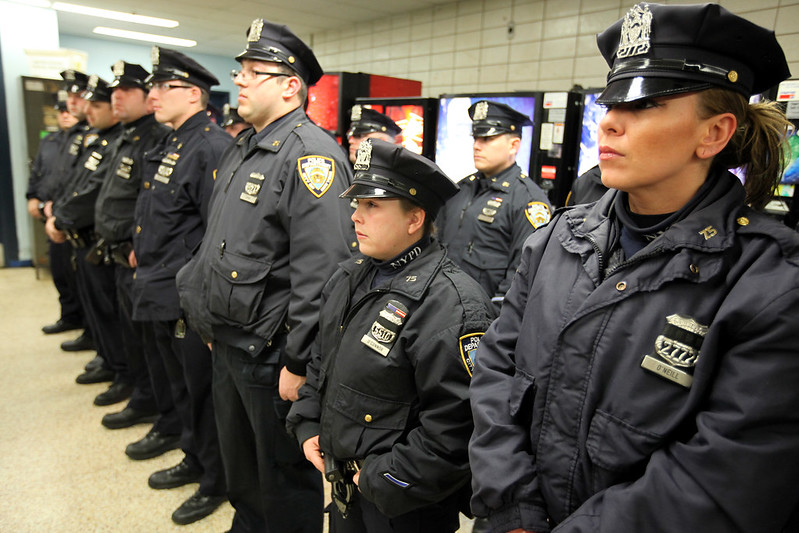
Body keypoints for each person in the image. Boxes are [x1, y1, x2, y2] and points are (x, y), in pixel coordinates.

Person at [468, 3, 799, 532]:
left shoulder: (768, 282)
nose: (612, 121)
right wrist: (515, 511)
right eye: (612, 101)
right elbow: (496, 372)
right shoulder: (556, 239)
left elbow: (723, 476)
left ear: (713, 134)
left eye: (644, 105)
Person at [176, 18, 355, 533]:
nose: (240, 80)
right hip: (231, 341)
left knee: (281, 481)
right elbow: (222, 245)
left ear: (290, 85)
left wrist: (300, 365)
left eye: (256, 71)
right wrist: (211, 324)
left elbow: (323, 276)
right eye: (241, 70)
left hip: (272, 356)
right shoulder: (245, 145)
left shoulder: (310, 156)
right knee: (244, 472)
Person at [286, 138, 496, 533]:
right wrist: (307, 425)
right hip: (346, 485)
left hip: (404, 506)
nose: (355, 217)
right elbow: (321, 365)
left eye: (372, 206)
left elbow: (456, 429)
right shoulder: (349, 276)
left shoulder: (453, 305)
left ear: (414, 219)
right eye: (357, 204)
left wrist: (381, 479)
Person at [130, 46, 231, 526]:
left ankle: (215, 479)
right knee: (179, 386)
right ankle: (194, 456)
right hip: (158, 283)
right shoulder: (175, 140)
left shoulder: (210, 145)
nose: (152, 95)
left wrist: (200, 300)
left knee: (200, 392)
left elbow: (216, 233)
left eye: (161, 87)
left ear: (193, 94)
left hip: (184, 294)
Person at [93, 61, 174, 427]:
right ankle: (141, 394)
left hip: (141, 256)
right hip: (121, 254)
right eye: (114, 91)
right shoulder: (125, 137)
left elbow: (153, 203)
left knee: (150, 348)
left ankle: (150, 403)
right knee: (132, 336)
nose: (116, 98)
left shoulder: (155, 138)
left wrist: (140, 242)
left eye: (126, 91)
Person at [45, 75, 124, 388]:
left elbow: (93, 192)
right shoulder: (96, 139)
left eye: (96, 104)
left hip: (97, 239)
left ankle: (120, 370)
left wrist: (62, 218)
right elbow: (73, 183)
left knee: (109, 312)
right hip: (81, 238)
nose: (87, 109)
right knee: (96, 309)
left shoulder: (117, 140)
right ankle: (108, 358)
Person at [437, 100, 551, 308]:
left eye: (487, 138)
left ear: (514, 145)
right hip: (441, 304)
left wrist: (492, 322)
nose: (477, 145)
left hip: (483, 317)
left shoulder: (528, 201)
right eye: (476, 138)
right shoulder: (460, 189)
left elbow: (523, 275)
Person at [38, 70, 93, 345]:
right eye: (68, 96)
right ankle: (81, 325)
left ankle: (96, 340)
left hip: (81, 223)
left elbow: (87, 187)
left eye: (77, 95)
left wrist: (61, 215)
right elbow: (60, 178)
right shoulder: (63, 138)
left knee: (96, 295)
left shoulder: (91, 137)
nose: (72, 103)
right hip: (62, 215)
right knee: (68, 278)